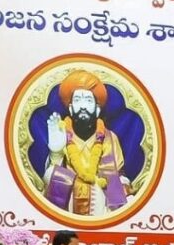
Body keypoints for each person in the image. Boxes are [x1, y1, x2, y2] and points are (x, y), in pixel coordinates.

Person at [43, 70, 133, 216]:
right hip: (68, 200)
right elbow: (51, 175)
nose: (83, 106)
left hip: (100, 198)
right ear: (70, 108)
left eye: (88, 101)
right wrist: (55, 151)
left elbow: (118, 175)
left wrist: (125, 196)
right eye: (78, 100)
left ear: (97, 109)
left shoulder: (110, 138)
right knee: (51, 174)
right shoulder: (61, 133)